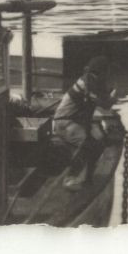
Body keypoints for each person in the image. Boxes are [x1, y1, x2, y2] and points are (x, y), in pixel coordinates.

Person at [48, 56, 117, 189]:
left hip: (75, 122)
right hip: (64, 123)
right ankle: (69, 178)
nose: (109, 75)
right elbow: (104, 104)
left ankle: (87, 178)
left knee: (99, 143)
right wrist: (112, 98)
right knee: (89, 144)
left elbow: (103, 101)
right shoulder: (88, 82)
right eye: (107, 72)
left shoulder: (94, 81)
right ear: (100, 72)